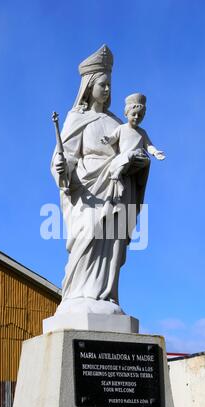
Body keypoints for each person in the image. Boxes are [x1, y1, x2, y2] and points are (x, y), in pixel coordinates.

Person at [50, 45, 151, 316]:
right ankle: (78, 295)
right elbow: (65, 158)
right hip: (88, 192)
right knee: (88, 237)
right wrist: (61, 168)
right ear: (89, 85)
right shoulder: (76, 119)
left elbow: (132, 150)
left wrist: (138, 162)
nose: (107, 90)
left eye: (109, 85)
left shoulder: (118, 123)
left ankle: (106, 296)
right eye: (102, 85)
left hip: (118, 192)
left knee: (112, 244)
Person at [101, 93, 165, 200]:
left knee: (147, 160)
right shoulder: (121, 128)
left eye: (140, 115)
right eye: (134, 114)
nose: (136, 117)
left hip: (136, 160)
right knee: (131, 154)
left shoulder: (142, 132)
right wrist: (108, 139)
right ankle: (118, 175)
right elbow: (113, 138)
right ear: (126, 114)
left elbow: (148, 145)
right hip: (123, 158)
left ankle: (131, 178)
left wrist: (155, 152)